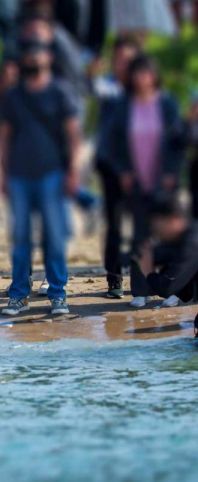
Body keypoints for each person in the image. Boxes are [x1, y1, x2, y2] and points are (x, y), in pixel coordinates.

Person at [0, 41, 81, 316]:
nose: (33, 58)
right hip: (19, 176)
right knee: (20, 238)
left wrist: (73, 171)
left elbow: (73, 133)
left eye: (38, 53)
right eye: (29, 54)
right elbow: (4, 137)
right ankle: (19, 295)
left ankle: (58, 294)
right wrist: (2, 173)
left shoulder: (59, 91)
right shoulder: (13, 95)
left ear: (49, 57)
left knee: (54, 238)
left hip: (52, 175)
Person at [109, 54, 184, 309]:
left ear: (154, 76)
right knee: (140, 236)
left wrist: (172, 173)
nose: (142, 79)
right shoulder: (124, 106)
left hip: (165, 181)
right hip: (137, 180)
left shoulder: (167, 104)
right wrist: (124, 170)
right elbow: (116, 143)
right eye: (137, 74)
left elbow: (178, 142)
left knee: (169, 237)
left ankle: (174, 289)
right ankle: (140, 290)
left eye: (146, 73)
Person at [89, 36, 141, 299]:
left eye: (128, 60)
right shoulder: (108, 87)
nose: (122, 65)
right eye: (118, 60)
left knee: (142, 224)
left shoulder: (143, 88)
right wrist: (91, 75)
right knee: (115, 224)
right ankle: (115, 279)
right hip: (110, 165)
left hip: (141, 166)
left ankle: (143, 280)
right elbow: (96, 89)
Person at [132, 196, 198, 308]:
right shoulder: (189, 233)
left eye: (156, 225)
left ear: (174, 219)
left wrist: (148, 271)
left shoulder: (192, 242)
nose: (156, 231)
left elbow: (167, 288)